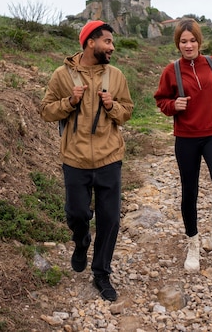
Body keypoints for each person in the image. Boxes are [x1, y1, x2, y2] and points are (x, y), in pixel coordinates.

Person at [40, 20, 134, 301]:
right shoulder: (61, 75)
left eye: (113, 43)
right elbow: (45, 111)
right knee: (77, 214)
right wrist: (69, 101)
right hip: (75, 158)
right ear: (90, 42)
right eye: (107, 42)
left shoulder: (116, 76)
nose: (112, 48)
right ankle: (81, 242)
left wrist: (112, 106)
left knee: (110, 219)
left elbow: (127, 111)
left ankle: (101, 273)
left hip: (109, 157)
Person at [153, 18, 212, 272]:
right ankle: (192, 244)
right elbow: (161, 100)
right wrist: (172, 106)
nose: (188, 46)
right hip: (186, 137)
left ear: (199, 41)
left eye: (192, 40)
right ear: (177, 44)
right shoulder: (172, 70)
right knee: (189, 190)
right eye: (182, 41)